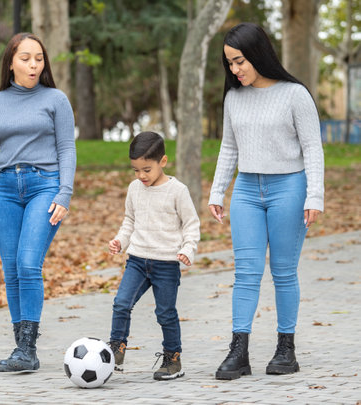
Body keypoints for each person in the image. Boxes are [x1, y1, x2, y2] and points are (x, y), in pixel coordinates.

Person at [208, 22, 324, 380]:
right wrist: (217, 191)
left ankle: (285, 349)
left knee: (283, 272)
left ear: (257, 54)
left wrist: (314, 195)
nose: (235, 70)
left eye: (239, 61)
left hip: (289, 187)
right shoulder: (233, 98)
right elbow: (229, 147)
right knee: (246, 273)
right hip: (246, 190)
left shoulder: (294, 94)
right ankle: (239, 350)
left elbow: (312, 148)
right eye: (229, 63)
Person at [0, 33, 76, 372]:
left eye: (39, 59)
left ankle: (28, 347)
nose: (34, 65)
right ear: (11, 61)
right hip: (4, 190)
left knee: (29, 264)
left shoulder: (56, 99)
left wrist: (65, 192)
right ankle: (22, 350)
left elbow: (67, 150)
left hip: (44, 187)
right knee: (12, 270)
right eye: (26, 58)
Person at [108, 131, 200, 380]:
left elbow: (191, 224)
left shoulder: (177, 191)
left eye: (146, 169)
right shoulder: (134, 189)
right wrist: (120, 241)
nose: (141, 176)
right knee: (121, 303)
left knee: (165, 312)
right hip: (137, 260)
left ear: (163, 161)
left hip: (167, 264)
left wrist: (187, 249)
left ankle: (172, 359)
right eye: (136, 170)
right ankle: (116, 350)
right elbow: (129, 220)